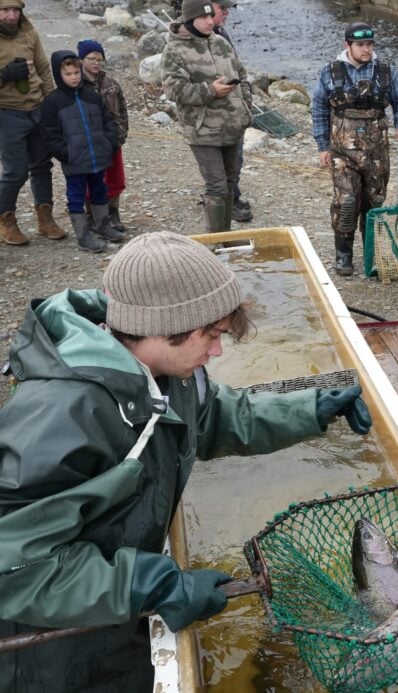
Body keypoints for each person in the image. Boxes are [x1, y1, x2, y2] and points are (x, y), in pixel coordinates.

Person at [0, 231, 373, 691]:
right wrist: (150, 584)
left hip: (115, 612)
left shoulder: (171, 374)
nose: (217, 351)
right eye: (210, 335)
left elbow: (212, 416)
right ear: (163, 326)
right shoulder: (60, 417)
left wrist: (311, 409)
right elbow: (15, 569)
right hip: (51, 648)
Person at [312, 21, 398, 276]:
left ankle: (371, 254)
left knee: (374, 203)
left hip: (377, 153)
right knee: (346, 202)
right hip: (342, 153)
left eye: (369, 44)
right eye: (360, 45)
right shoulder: (330, 72)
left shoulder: (386, 72)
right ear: (348, 45)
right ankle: (343, 255)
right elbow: (319, 109)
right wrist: (322, 146)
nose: (366, 49)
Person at [160, 0, 251, 237]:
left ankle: (225, 237)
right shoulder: (174, 51)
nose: (211, 22)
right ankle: (215, 242)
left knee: (230, 182)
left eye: (211, 16)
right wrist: (210, 90)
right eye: (204, 17)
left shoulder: (220, 42)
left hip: (233, 127)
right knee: (217, 187)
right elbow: (173, 90)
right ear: (190, 19)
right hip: (203, 132)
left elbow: (242, 75)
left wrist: (245, 108)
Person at [40, 50, 123, 253]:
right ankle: (83, 234)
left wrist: (108, 144)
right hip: (75, 161)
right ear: (58, 75)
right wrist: (66, 154)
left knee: (99, 190)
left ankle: (103, 225)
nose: (74, 77)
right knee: (76, 195)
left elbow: (108, 122)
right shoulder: (52, 102)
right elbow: (50, 134)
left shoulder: (92, 97)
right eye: (68, 74)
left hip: (98, 157)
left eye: (76, 72)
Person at [0, 0, 65, 246]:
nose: (11, 15)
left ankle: (45, 219)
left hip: (37, 108)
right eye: (5, 10)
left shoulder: (29, 32)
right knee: (15, 171)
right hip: (7, 112)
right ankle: (5, 220)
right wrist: (5, 75)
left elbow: (43, 68)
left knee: (41, 165)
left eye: (15, 10)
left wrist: (52, 103)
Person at [78, 38, 131, 235]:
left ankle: (113, 211)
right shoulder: (77, 85)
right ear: (81, 60)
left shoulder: (111, 84)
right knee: (91, 180)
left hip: (113, 141)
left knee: (115, 178)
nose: (96, 63)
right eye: (91, 59)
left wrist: (121, 134)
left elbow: (123, 110)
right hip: (90, 144)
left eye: (99, 59)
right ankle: (92, 215)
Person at [211, 0, 253, 223]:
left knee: (235, 159)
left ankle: (231, 195)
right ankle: (225, 202)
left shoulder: (221, 34)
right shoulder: (202, 40)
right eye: (222, 8)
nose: (227, 13)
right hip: (216, 114)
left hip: (235, 110)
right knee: (222, 163)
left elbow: (239, 69)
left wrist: (246, 101)